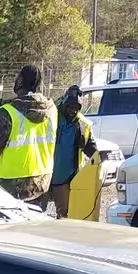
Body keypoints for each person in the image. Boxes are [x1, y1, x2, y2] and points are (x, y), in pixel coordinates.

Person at [0, 65, 56, 202]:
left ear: (20, 81)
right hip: (41, 183)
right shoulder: (52, 111)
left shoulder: (7, 113)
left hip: (9, 185)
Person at [45, 85, 100, 218]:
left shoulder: (82, 124)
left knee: (64, 215)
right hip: (42, 175)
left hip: (64, 177)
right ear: (64, 104)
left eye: (76, 108)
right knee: (33, 212)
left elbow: (90, 146)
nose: (73, 111)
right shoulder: (51, 118)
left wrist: (98, 159)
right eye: (70, 107)